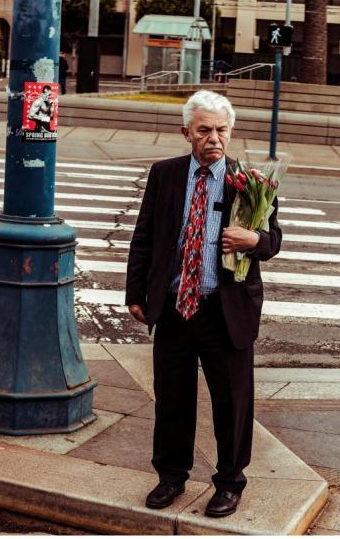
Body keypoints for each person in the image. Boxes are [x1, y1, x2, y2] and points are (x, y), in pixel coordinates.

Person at [125, 90, 282, 519]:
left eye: (221, 130)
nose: (214, 138)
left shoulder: (252, 182)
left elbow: (274, 241)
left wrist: (255, 241)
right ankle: (171, 476)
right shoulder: (165, 175)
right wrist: (136, 294)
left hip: (225, 311)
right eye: (204, 130)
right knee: (172, 397)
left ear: (231, 132)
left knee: (232, 403)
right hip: (176, 307)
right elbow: (145, 237)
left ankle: (230, 483)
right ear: (186, 133)